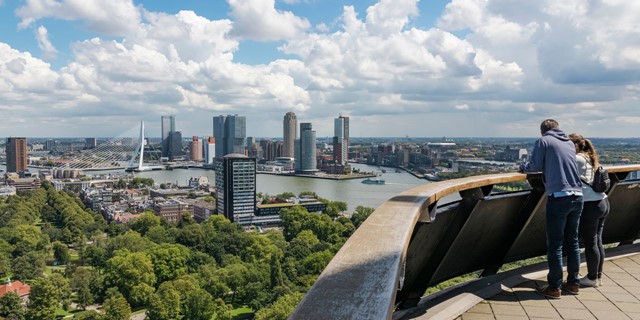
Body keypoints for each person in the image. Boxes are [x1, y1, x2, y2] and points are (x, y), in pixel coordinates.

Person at [519, 119, 584, 299]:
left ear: (542, 131)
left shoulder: (543, 141)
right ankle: (573, 284)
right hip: (578, 196)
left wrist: (521, 167)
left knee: (555, 245)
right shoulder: (569, 143)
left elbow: (534, 166)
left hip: (559, 197)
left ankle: (554, 287)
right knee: (573, 243)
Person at [569, 133, 609, 287]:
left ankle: (592, 278)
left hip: (590, 204)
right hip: (602, 201)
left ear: (576, 145)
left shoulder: (577, 158)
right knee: (597, 241)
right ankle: (596, 276)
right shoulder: (589, 157)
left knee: (591, 242)